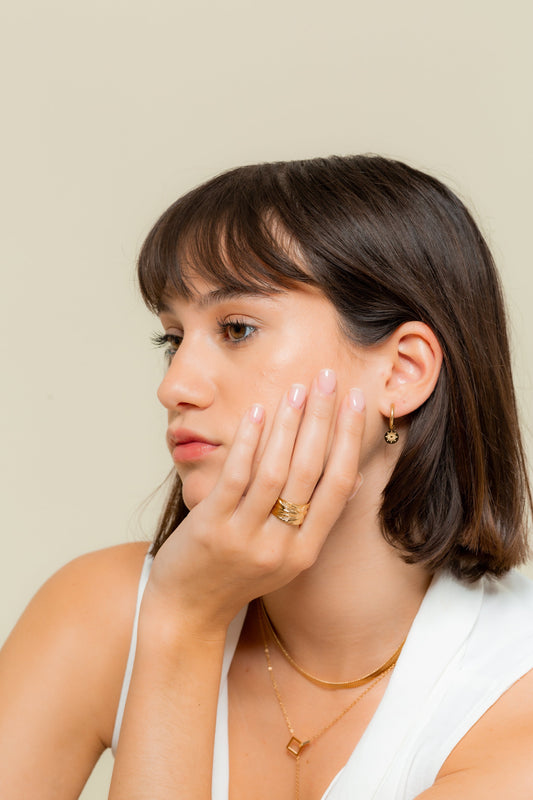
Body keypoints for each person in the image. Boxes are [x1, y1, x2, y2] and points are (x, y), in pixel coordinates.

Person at [1, 154, 532, 800]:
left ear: (401, 372)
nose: (175, 387)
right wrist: (179, 620)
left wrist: (185, 621)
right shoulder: (97, 609)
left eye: (236, 328)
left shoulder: (513, 693)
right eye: (173, 339)